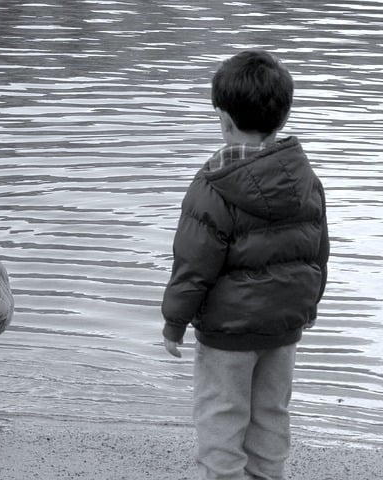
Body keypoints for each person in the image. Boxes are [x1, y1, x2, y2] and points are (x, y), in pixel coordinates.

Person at [161, 49, 329, 480]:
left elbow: (193, 262)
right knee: (271, 415)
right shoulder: (304, 176)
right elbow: (317, 251)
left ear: (224, 118)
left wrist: (174, 321)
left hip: (228, 334)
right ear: (282, 116)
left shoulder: (213, 184)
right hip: (284, 327)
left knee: (222, 416)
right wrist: (307, 309)